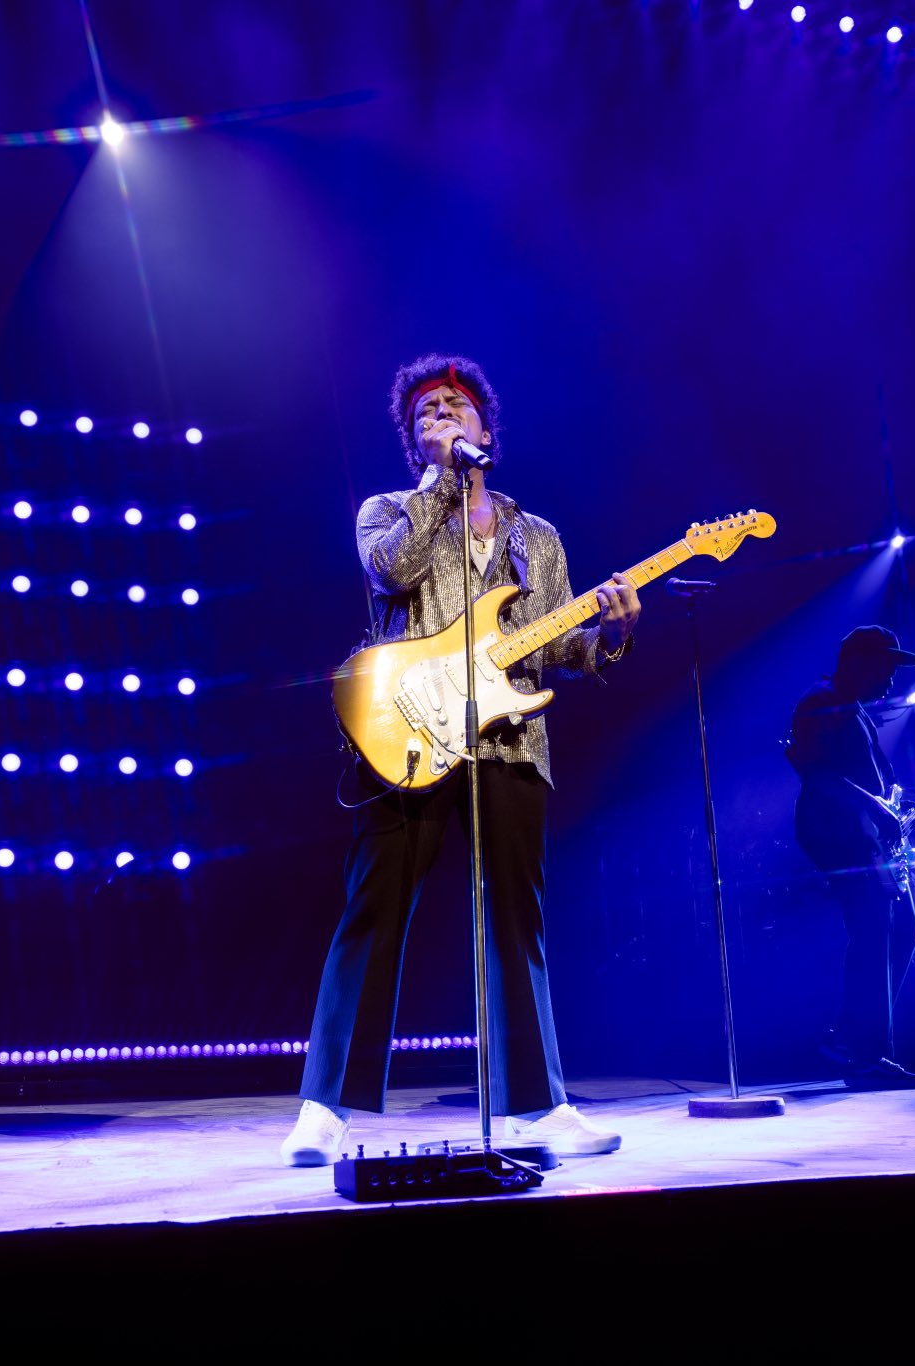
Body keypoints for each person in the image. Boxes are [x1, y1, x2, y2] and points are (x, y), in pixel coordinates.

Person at [280, 355, 641, 1165]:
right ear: (415, 443)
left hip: (508, 741)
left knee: (518, 922)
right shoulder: (388, 510)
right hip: (404, 731)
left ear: (486, 429)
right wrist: (444, 485)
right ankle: (325, 1106)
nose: (438, 414)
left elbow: (556, 642)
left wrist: (611, 636)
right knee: (372, 913)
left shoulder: (534, 535)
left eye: (454, 405)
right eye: (423, 414)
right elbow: (393, 570)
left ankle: (535, 1107)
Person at [786, 625, 915, 1090]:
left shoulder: (851, 707)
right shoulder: (821, 699)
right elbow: (813, 770)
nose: (891, 680)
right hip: (838, 836)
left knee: (901, 931)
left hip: (860, 836)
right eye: (884, 668)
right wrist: (874, 807)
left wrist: (888, 804)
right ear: (857, 660)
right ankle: (866, 1055)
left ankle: (852, 1040)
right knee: (875, 936)